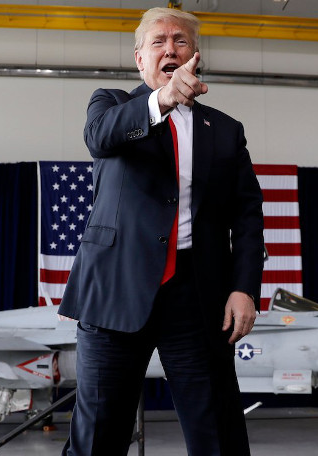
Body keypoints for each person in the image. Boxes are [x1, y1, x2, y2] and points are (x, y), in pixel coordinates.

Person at [58, 7, 264, 456]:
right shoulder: (109, 104)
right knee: (97, 440)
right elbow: (100, 138)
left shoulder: (226, 131)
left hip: (198, 297)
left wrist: (244, 288)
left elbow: (247, 216)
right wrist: (163, 100)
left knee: (219, 437)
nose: (170, 48)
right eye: (159, 41)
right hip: (115, 290)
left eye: (181, 40)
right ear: (139, 58)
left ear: (196, 55)